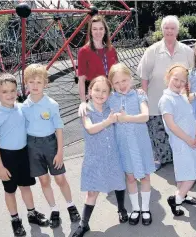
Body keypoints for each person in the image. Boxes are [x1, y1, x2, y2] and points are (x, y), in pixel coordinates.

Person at [0, 73, 49, 236]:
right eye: (4, 92)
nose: (9, 95)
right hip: (7, 158)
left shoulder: (21, 108)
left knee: (26, 186)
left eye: (12, 91)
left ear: (17, 91)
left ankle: (31, 213)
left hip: (24, 154)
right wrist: (0, 167)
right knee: (10, 191)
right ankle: (15, 220)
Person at [21, 64, 80, 228]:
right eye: (31, 82)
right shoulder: (23, 107)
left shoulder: (51, 104)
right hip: (32, 146)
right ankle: (54, 210)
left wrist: (60, 152)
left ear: (45, 84)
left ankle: (71, 205)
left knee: (60, 178)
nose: (35, 85)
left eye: (39, 82)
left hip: (50, 144)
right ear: (26, 83)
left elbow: (59, 128)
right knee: (44, 181)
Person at [72, 76, 128, 237]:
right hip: (94, 157)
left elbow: (123, 96)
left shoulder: (111, 105)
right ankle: (84, 223)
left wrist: (137, 92)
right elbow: (90, 129)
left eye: (104, 91)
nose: (100, 94)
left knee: (118, 182)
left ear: (109, 94)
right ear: (90, 92)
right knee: (92, 192)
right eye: (97, 90)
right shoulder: (85, 110)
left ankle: (122, 208)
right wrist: (108, 121)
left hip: (113, 155)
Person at [137, 15, 194, 168]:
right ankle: (163, 161)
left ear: (177, 30)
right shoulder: (152, 51)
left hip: (179, 103)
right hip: (156, 102)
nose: (169, 31)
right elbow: (143, 76)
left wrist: (189, 96)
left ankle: (181, 161)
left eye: (172, 28)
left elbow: (192, 76)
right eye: (166, 28)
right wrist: (144, 100)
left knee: (179, 134)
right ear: (162, 30)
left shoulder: (187, 51)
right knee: (160, 137)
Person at [107, 63, 156, 226]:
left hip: (140, 143)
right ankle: (135, 209)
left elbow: (145, 116)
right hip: (123, 145)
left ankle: (146, 208)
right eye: (117, 83)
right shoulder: (110, 99)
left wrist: (126, 118)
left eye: (124, 80)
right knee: (130, 177)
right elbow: (95, 105)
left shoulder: (139, 95)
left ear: (131, 78)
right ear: (112, 85)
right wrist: (84, 104)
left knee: (145, 176)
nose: (121, 85)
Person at [158, 64, 196, 217]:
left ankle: (182, 195)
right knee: (191, 173)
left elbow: (191, 117)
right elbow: (171, 125)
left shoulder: (182, 96)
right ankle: (176, 199)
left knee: (184, 172)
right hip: (181, 143)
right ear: (168, 78)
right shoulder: (166, 100)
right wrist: (188, 139)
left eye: (182, 81)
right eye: (175, 79)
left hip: (190, 141)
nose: (178, 83)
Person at [77, 15, 118, 115]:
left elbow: (117, 74)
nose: (98, 32)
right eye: (94, 29)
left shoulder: (111, 50)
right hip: (95, 95)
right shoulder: (84, 51)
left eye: (101, 28)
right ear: (90, 31)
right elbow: (81, 80)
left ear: (105, 30)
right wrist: (83, 102)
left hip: (111, 93)